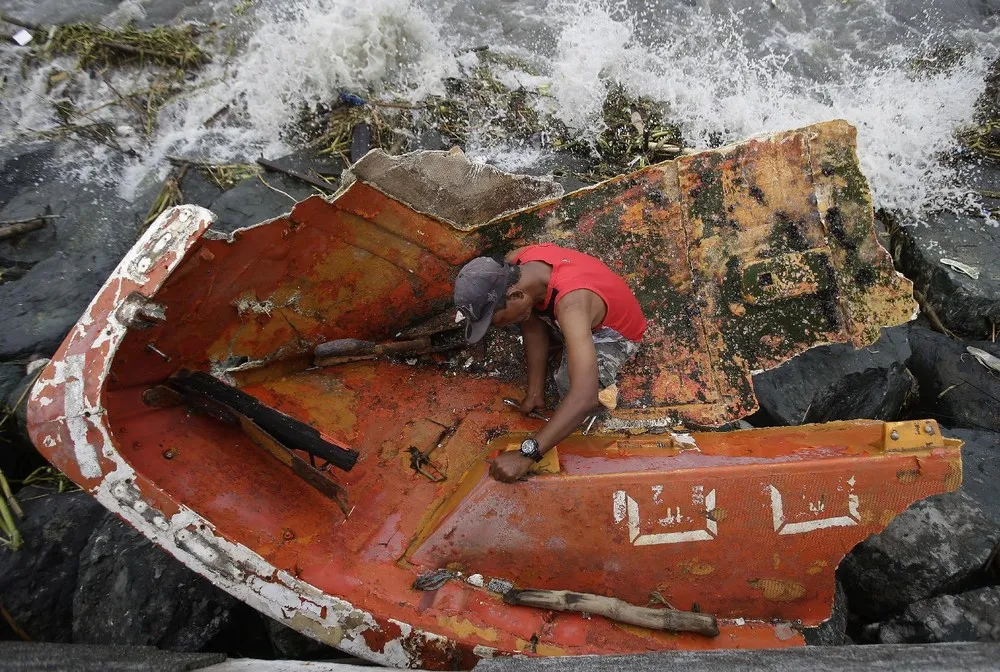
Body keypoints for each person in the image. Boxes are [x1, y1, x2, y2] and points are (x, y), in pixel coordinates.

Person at [453, 243, 647, 483]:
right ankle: (565, 346)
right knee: (522, 316)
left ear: (516, 295)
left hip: (613, 333)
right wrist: (535, 391)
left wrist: (527, 455)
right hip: (575, 311)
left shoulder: (571, 306)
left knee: (569, 383)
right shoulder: (516, 264)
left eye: (494, 320)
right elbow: (532, 323)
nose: (496, 326)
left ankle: (599, 381)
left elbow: (583, 398)